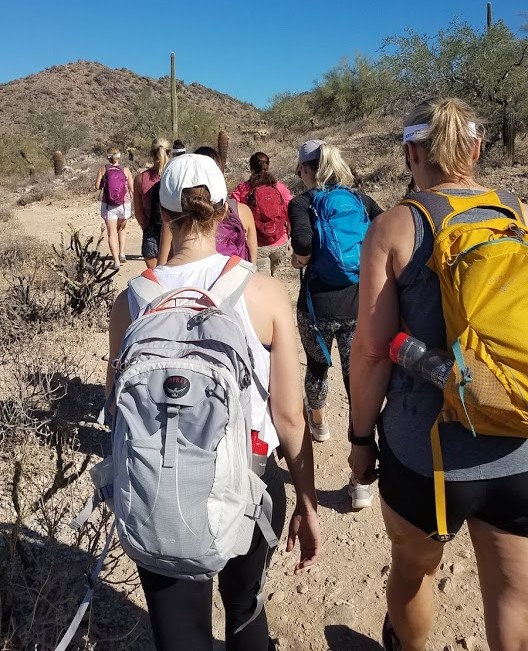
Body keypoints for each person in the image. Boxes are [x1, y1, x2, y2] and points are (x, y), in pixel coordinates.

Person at [107, 153, 320, 651]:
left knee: (180, 634)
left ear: (159, 214)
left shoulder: (131, 301)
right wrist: (308, 503)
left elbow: (117, 407)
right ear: (225, 211)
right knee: (246, 611)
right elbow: (289, 416)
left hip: (159, 486)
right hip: (248, 478)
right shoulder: (262, 292)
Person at [348, 97, 528, 651]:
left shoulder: (394, 226)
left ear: (411, 152)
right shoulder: (517, 212)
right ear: (476, 149)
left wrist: (359, 440)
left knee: (413, 571)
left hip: (425, 455)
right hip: (517, 442)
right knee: (512, 596)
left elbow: (373, 352)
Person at [288, 140, 383, 510]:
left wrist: (299, 261)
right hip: (358, 305)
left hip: (316, 307)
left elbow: (303, 245)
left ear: (308, 170)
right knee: (357, 381)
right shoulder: (360, 200)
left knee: (316, 367)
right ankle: (361, 481)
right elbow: (385, 230)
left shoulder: (302, 203)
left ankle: (319, 422)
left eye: (300, 170)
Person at [231, 152, 292, 275]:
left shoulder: (242, 189)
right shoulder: (279, 187)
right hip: (280, 242)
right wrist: (289, 235)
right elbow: (290, 209)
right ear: (268, 166)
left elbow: (233, 213)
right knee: (274, 280)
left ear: (251, 167)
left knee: (264, 283)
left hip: (257, 245)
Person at [195, 146, 258, 262]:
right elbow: (252, 260)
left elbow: (166, 263)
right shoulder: (243, 211)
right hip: (235, 277)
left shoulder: (179, 217)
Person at [133, 138, 171, 269]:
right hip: (174, 233)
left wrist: (147, 229)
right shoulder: (175, 175)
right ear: (170, 153)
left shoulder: (140, 179)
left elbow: (138, 212)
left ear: (151, 153)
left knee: (157, 282)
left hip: (152, 233)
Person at [94, 147, 134, 270]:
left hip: (109, 204)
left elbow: (97, 187)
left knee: (112, 233)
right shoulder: (125, 170)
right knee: (122, 229)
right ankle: (122, 253)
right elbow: (132, 188)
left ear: (108, 157)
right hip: (124, 204)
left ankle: (116, 262)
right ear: (119, 157)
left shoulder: (103, 169)